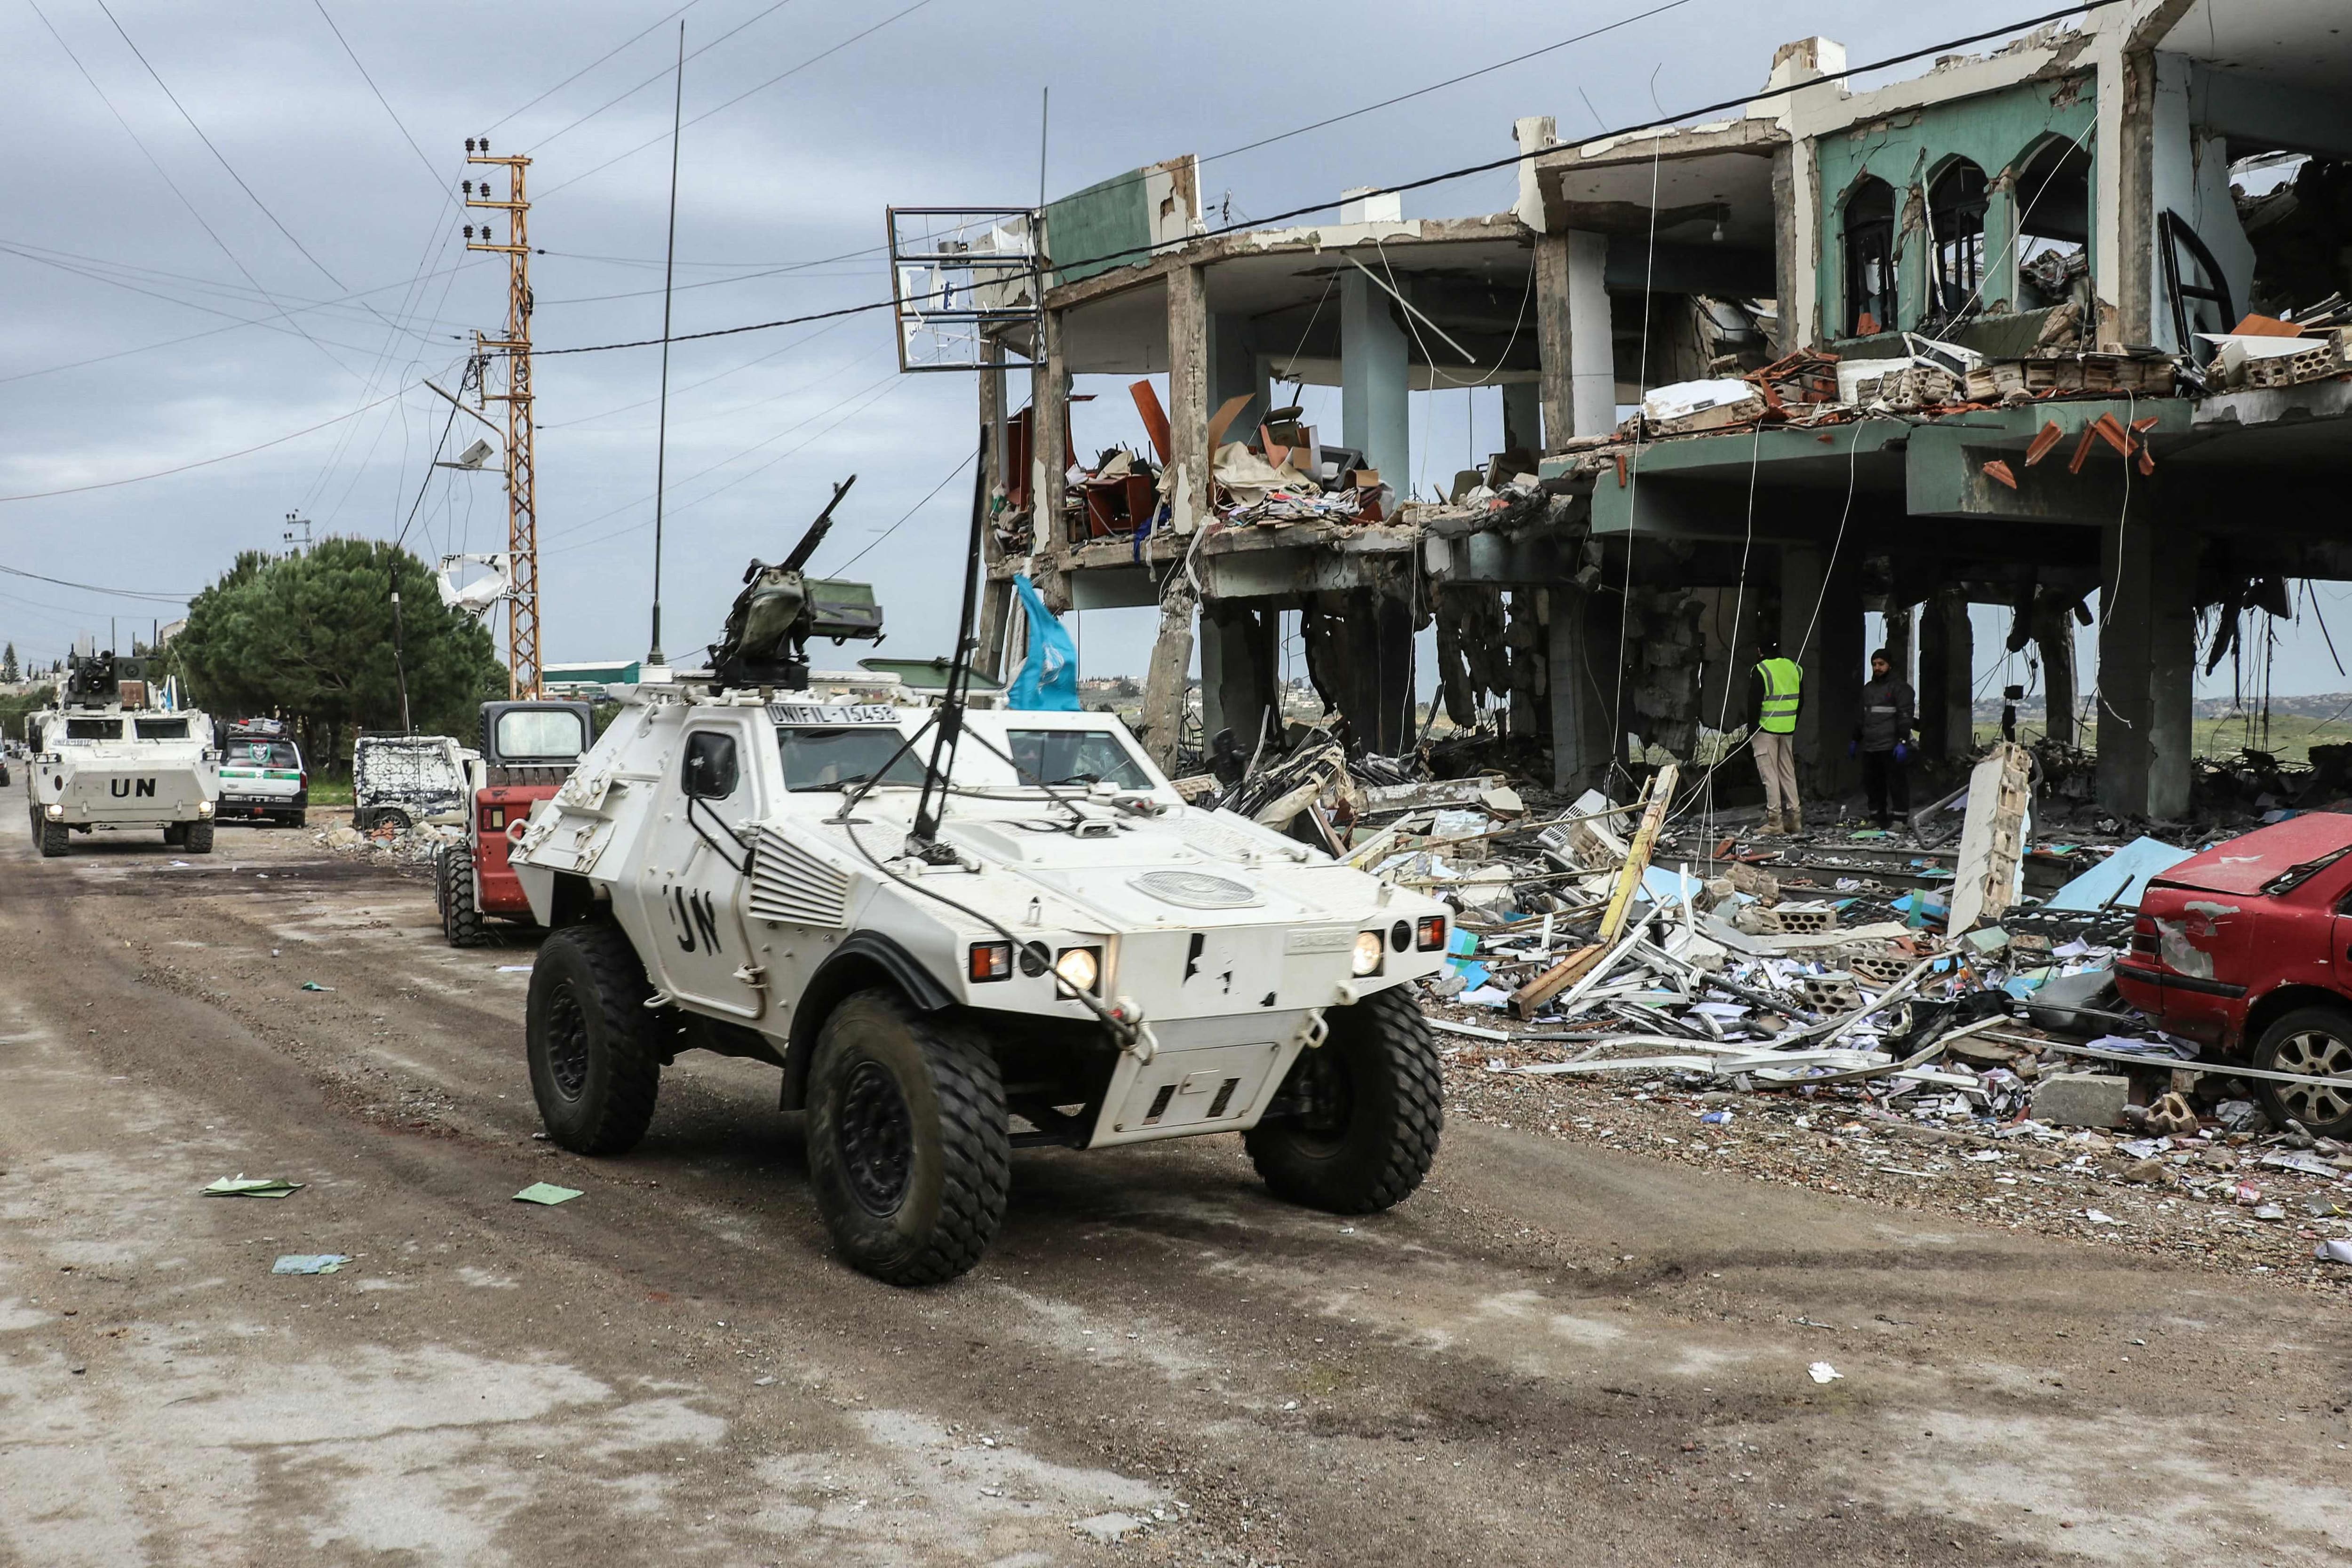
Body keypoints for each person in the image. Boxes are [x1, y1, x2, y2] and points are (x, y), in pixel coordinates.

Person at [1852, 647, 1915, 831]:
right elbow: (1862, 717)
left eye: (1881, 664)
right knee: (1873, 784)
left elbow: (1905, 716)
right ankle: (1877, 818)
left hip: (1891, 746)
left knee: (1897, 784)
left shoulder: (1901, 689)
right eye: (1874, 664)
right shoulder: (1868, 690)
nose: (1877, 668)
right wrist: (1855, 739)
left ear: (1890, 665)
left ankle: (1900, 820)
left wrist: (1902, 741)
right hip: (1871, 746)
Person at [1747, 635, 1803, 834]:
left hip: (1766, 730)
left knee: (1770, 775)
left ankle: (1775, 821)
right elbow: (1801, 701)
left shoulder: (1761, 670)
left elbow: (1754, 703)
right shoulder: (1795, 668)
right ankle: (1795, 819)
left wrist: (1752, 729)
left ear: (1760, 651)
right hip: (1788, 729)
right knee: (1788, 773)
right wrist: (1792, 723)